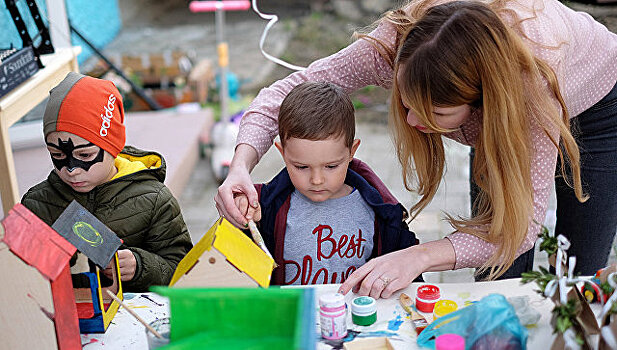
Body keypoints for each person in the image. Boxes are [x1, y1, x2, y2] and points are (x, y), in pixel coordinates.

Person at [216, 0, 617, 298]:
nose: (410, 122)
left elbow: (517, 229)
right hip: (512, 95)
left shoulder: (527, 90)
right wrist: (240, 166)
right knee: (499, 278)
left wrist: (419, 257)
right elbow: (285, 92)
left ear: (482, 103)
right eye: (406, 101)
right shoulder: (401, 45)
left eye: (434, 111)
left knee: (577, 279)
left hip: (600, 107)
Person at [232, 81, 420, 285]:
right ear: (283, 153)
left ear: (351, 152)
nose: (317, 180)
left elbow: (407, 266)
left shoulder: (380, 210)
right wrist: (244, 217)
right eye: (301, 167)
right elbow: (239, 266)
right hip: (295, 315)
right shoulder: (266, 207)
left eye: (331, 166)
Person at [21, 72, 193, 292]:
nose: (72, 169)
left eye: (85, 156)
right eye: (58, 154)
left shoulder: (154, 200)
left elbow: (182, 268)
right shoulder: (37, 203)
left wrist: (140, 266)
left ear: (113, 146)